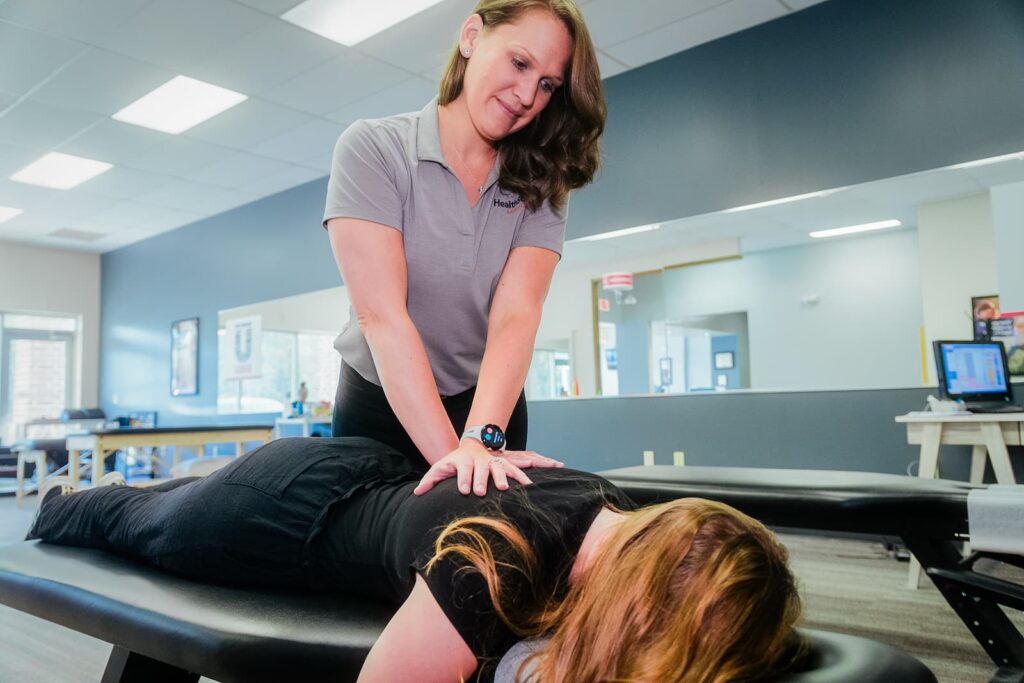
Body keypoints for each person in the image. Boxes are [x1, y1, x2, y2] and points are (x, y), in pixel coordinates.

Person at [27, 437, 804, 683]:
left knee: (164, 498)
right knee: (132, 520)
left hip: (370, 469)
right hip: (285, 515)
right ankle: (59, 499)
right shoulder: (498, 567)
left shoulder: (612, 505)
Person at [322, 0, 606, 496]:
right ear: (471, 36)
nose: (526, 96)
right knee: (373, 560)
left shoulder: (541, 180)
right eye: (520, 63)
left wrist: (479, 439)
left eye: (547, 85)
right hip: (382, 401)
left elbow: (517, 313)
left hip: (488, 407)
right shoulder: (374, 149)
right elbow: (383, 318)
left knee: (483, 552)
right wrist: (456, 462)